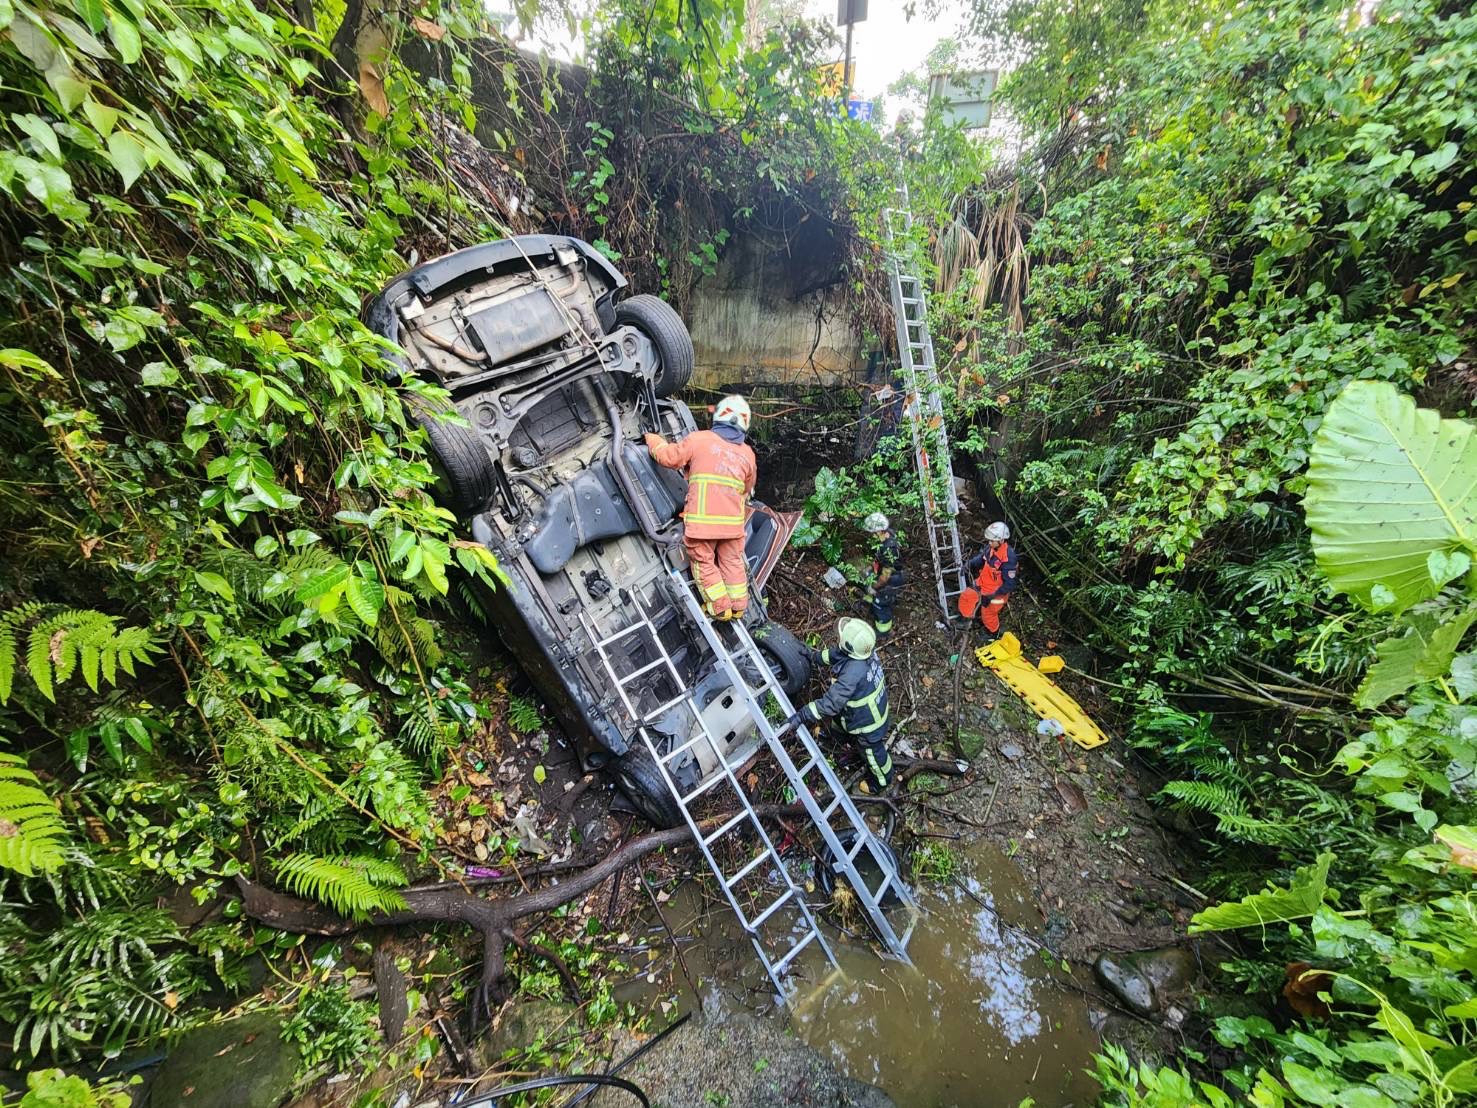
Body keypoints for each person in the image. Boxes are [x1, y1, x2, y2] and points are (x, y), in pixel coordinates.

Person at [645, 395, 756, 620]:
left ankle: (720, 608)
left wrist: (652, 440)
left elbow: (669, 457)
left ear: (718, 418)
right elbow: (747, 488)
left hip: (703, 526)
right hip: (733, 526)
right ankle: (738, 606)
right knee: (732, 561)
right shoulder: (748, 454)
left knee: (703, 562)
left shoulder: (699, 440)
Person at [784, 618, 894, 791]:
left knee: (872, 753)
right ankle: (832, 740)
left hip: (868, 723)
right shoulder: (862, 652)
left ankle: (882, 780)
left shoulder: (852, 674)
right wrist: (813, 655)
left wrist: (802, 714)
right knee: (837, 725)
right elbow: (834, 655)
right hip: (852, 713)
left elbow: (831, 704)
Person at [966, 520, 1017, 634]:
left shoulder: (1008, 558)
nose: (989, 543)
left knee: (988, 614)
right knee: (970, 595)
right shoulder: (991, 548)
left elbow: (1010, 584)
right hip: (984, 583)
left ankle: (993, 632)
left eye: (992, 540)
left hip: (996, 594)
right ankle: (974, 616)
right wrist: (969, 564)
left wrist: (992, 595)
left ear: (1001, 540)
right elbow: (981, 558)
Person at [862, 512, 905, 638]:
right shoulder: (887, 535)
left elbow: (885, 576)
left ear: (879, 531)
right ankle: (872, 601)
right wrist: (870, 568)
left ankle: (884, 630)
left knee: (881, 602)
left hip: (893, 578)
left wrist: (874, 587)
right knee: (869, 581)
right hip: (883, 572)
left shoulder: (889, 548)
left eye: (872, 533)